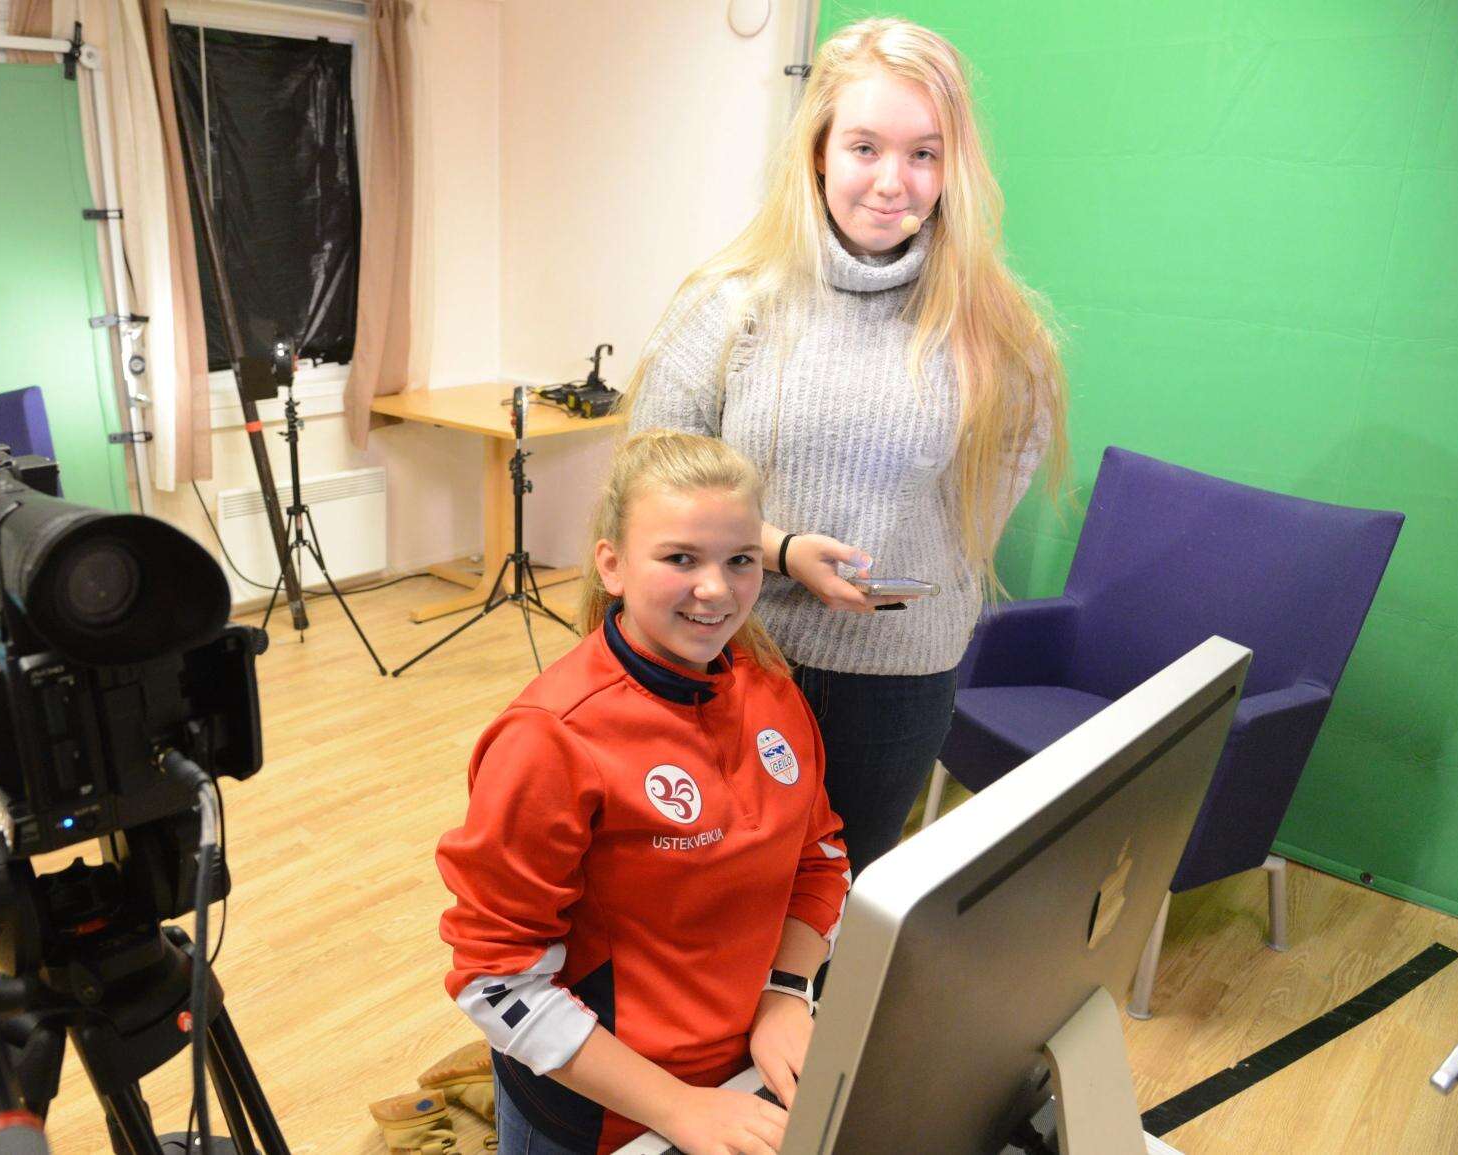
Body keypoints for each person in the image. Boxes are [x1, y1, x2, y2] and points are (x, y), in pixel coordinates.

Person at [623, 17, 1069, 878]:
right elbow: (647, 483)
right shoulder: (731, 300)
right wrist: (778, 550)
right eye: (865, 147)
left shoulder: (997, 332)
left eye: (924, 154)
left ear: (954, 167)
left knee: (836, 891)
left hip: (894, 680)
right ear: (819, 152)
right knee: (699, 886)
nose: (892, 182)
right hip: (723, 650)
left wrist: (910, 560)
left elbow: (990, 491)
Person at [436, 430, 853, 1155]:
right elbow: (496, 982)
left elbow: (818, 857)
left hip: (746, 1076)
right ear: (612, 565)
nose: (716, 589)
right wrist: (676, 1106)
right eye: (680, 558)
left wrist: (785, 993)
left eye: (740, 560)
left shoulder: (769, 686)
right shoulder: (549, 738)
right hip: (605, 1111)